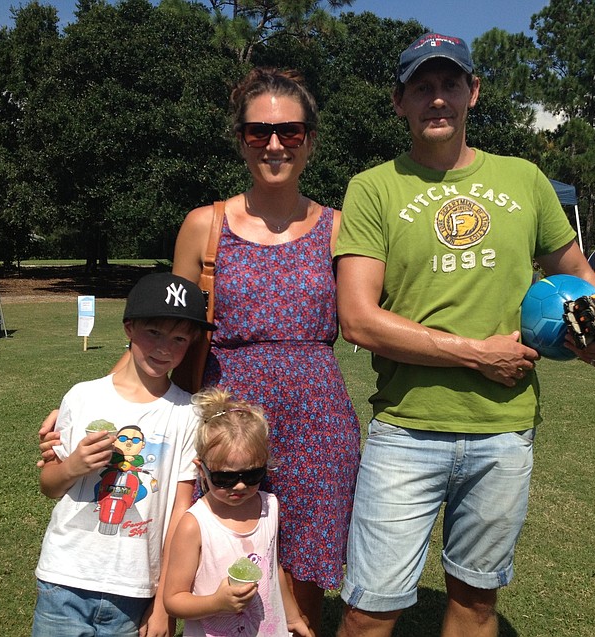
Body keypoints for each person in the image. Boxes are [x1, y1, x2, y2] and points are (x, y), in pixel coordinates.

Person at [333, 33, 595, 637]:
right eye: (422, 87)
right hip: (407, 428)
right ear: (399, 101)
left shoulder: (524, 178)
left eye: (450, 84)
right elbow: (359, 319)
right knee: (369, 610)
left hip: (504, 430)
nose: (437, 98)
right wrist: (477, 354)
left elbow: (581, 276)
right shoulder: (373, 187)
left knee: (476, 605)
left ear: (473, 92)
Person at [40, 67, 360, 635]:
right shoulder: (204, 225)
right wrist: (100, 402)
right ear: (240, 139)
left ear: (310, 138)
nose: (275, 144)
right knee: (210, 550)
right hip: (220, 418)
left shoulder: (341, 229)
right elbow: (166, 327)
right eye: (259, 131)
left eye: (290, 130)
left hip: (316, 423)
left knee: (302, 571)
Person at [32, 272, 216, 637]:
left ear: (192, 341)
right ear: (129, 328)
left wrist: (163, 604)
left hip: (135, 590)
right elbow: (49, 485)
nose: (164, 348)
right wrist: (72, 466)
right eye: (154, 332)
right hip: (64, 580)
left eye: (179, 338)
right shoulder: (83, 397)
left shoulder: (188, 414)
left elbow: (179, 514)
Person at [163, 387, 312, 637]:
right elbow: (174, 600)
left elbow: (273, 570)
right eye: (224, 478)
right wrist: (217, 603)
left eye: (252, 475)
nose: (240, 486)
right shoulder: (195, 524)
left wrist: (293, 616)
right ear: (201, 470)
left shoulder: (269, 506)